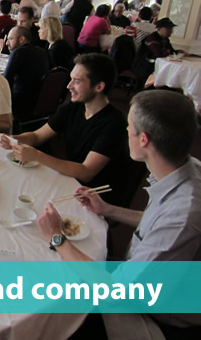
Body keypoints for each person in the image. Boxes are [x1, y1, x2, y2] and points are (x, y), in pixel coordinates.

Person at [37, 90, 201, 339]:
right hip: (137, 278)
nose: (125, 130)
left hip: (153, 317)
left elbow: (116, 292)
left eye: (129, 126)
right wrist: (108, 209)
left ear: (143, 139)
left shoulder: (183, 215)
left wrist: (56, 238)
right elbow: (157, 225)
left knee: (49, 305)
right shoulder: (187, 169)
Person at [0, 53, 127, 204]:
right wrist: (13, 139)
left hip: (93, 197)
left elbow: (86, 172)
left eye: (77, 81)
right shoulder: (73, 108)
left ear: (99, 87)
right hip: (70, 180)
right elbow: (37, 136)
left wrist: (38, 156)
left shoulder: (114, 124)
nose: (69, 86)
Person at [3, 25, 50, 119]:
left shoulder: (18, 52)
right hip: (39, 101)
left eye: (10, 39)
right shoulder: (42, 52)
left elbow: (5, 81)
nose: (7, 43)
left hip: (19, 103)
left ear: (22, 39)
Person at [132, 17, 178, 85]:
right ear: (159, 29)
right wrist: (167, 52)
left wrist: (178, 52)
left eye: (171, 29)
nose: (171, 31)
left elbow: (171, 51)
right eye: (168, 29)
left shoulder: (165, 39)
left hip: (154, 65)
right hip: (143, 66)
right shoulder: (152, 38)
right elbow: (159, 54)